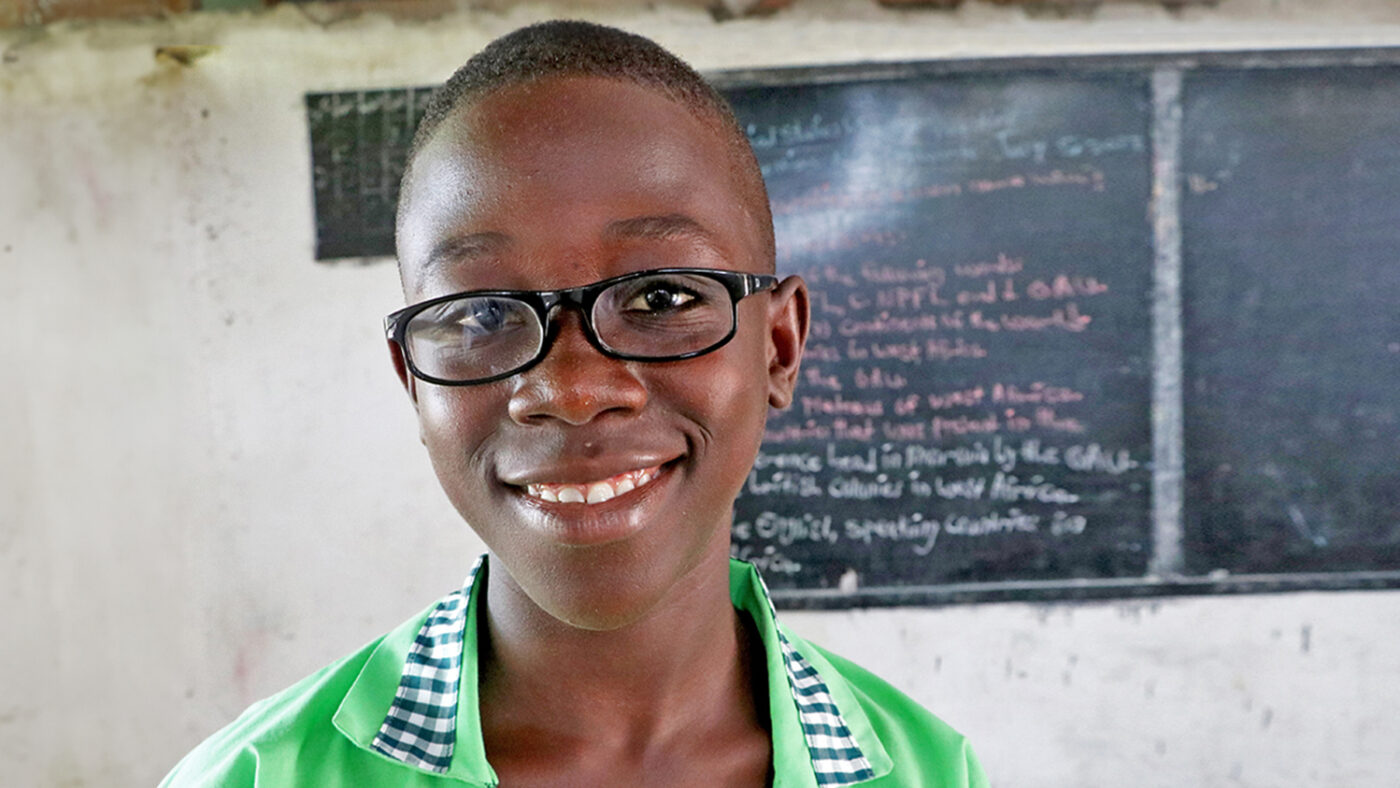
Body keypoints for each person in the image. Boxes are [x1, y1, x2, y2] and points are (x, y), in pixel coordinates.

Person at [163, 20, 988, 787]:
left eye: (661, 298)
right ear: (412, 382)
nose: (571, 389)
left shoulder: (929, 770)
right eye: (483, 313)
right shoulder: (257, 777)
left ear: (779, 346)